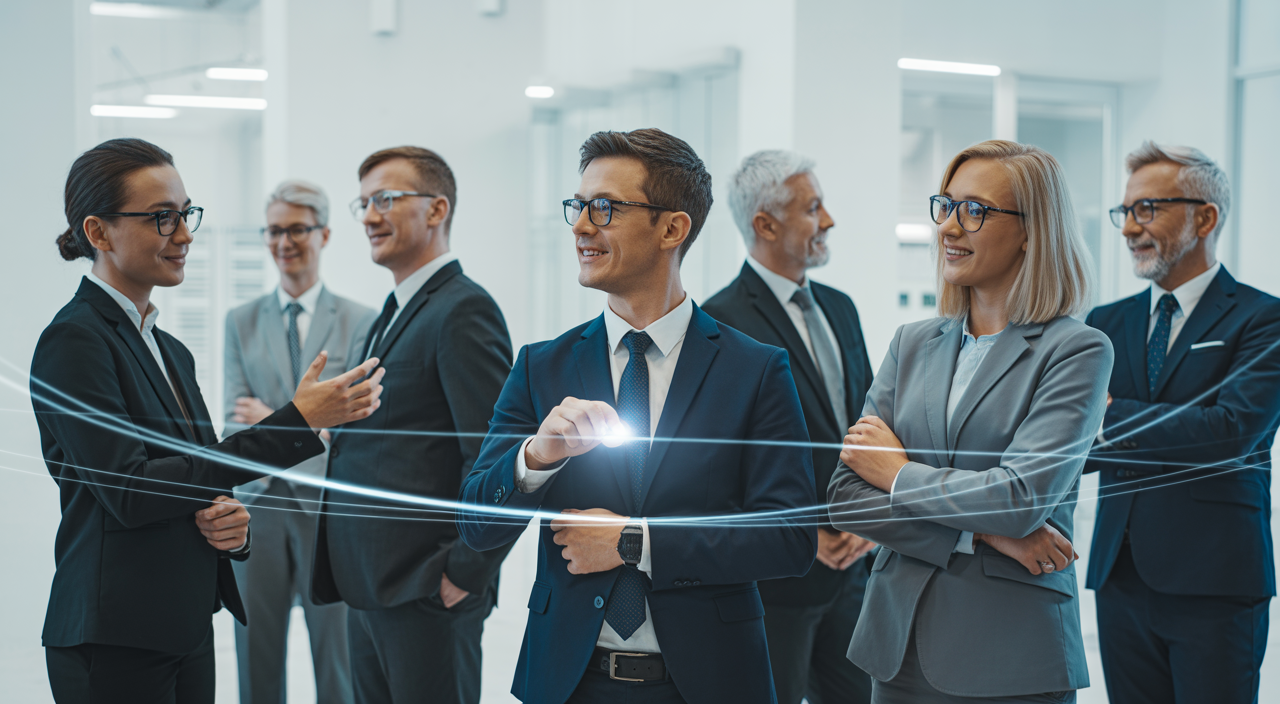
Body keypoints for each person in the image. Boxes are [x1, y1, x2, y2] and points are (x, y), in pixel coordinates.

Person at [458, 128, 818, 704]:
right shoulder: (541, 366)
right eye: (578, 207)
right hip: (570, 682)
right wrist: (535, 458)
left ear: (672, 228)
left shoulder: (755, 371)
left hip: (707, 683)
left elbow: (790, 537)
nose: (580, 225)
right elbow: (476, 526)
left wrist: (634, 543)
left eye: (604, 208)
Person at [33, 137, 384, 704]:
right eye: (162, 218)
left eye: (186, 213)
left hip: (186, 624)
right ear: (98, 233)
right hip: (116, 636)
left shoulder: (171, 350)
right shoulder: (74, 341)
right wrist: (295, 422)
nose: (186, 234)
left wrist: (231, 525)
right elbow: (132, 488)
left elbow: (198, 474)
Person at [827, 140, 1112, 703]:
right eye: (946, 206)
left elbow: (1020, 500)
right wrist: (978, 532)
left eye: (975, 211)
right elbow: (846, 496)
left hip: (1011, 652)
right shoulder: (912, 344)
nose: (949, 228)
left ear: (1034, 229)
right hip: (897, 644)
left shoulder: (1077, 350)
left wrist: (899, 473)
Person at [310, 147, 515, 704]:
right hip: (373, 588)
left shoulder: (462, 310)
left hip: (426, 591)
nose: (370, 216)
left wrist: (463, 574)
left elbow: (496, 456)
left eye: (386, 199)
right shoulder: (395, 312)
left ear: (436, 209)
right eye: (364, 203)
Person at [1084, 141, 1280, 704]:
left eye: (1148, 209)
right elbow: (1078, 444)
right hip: (1120, 574)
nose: (1128, 228)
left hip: (1215, 581)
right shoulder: (1106, 322)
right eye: (1126, 212)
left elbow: (1232, 432)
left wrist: (1109, 415)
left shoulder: (1261, 319)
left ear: (1205, 217)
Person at [702, 150, 875, 704]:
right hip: (773, 584)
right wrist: (800, 532)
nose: (828, 221)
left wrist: (870, 518)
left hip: (854, 575)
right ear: (765, 224)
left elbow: (870, 421)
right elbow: (716, 462)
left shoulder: (841, 308)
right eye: (813, 208)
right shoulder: (719, 322)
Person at [224, 180, 375, 704]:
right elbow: (234, 422)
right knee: (254, 657)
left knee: (337, 660)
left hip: (327, 509)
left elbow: (357, 432)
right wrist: (308, 423)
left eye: (295, 229)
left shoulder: (362, 322)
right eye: (273, 230)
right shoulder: (239, 322)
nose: (283, 242)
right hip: (259, 506)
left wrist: (273, 418)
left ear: (324, 233)